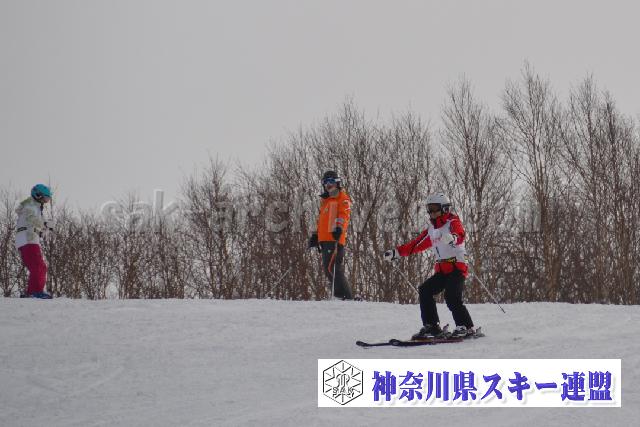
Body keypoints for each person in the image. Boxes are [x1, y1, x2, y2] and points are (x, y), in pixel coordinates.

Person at [384, 193, 475, 339]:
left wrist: (453, 237)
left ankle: (465, 326)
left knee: (451, 295)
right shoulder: (432, 230)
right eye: (429, 209)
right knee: (425, 290)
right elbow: (415, 245)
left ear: (444, 209)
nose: (431, 212)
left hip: (457, 266)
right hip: (442, 269)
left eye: (434, 208)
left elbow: (460, 234)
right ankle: (432, 326)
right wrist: (396, 252)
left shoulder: (452, 221)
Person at [308, 171, 354, 300]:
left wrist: (339, 227)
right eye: (325, 182)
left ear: (337, 183)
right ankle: (341, 296)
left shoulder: (341, 197)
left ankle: (346, 297)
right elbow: (321, 221)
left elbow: (344, 214)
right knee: (328, 269)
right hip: (325, 240)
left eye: (331, 182)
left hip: (334, 238)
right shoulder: (326, 200)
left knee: (332, 268)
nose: (328, 184)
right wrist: (316, 236)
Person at [16, 184, 54, 299]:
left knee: (39, 266)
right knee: (39, 266)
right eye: (45, 198)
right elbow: (31, 219)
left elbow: (34, 223)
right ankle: (36, 291)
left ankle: (32, 291)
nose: (46, 201)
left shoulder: (35, 206)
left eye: (48, 199)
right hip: (28, 239)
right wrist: (45, 224)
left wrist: (44, 230)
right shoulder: (30, 205)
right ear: (38, 195)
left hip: (29, 239)